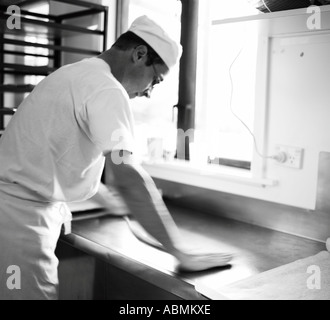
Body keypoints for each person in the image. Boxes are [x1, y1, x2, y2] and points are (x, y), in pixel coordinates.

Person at [0, 15, 232, 300]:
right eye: (155, 80)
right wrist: (178, 251)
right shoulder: (107, 88)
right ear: (139, 54)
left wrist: (103, 196)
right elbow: (127, 172)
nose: (148, 92)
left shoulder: (75, 74)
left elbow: (52, 154)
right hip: (21, 223)